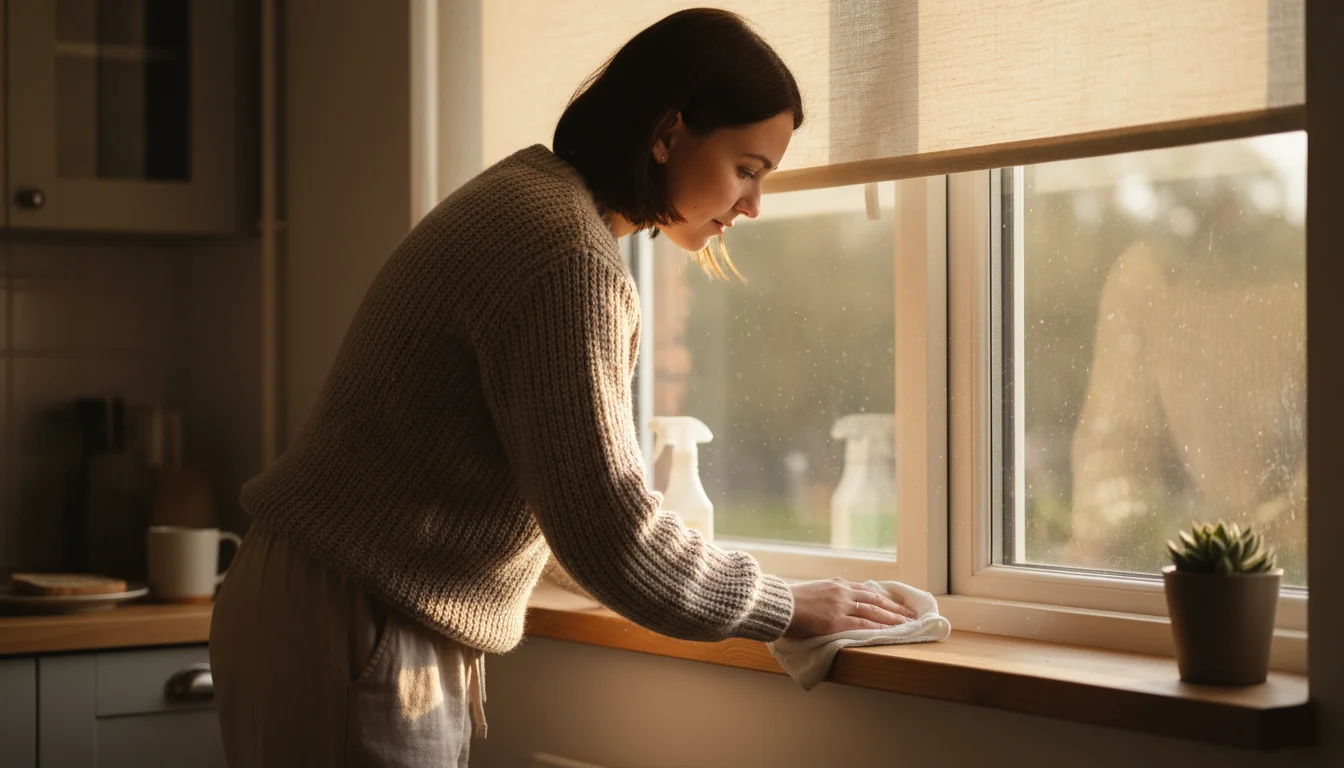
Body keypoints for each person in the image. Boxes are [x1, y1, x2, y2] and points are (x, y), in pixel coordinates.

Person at [209, 9, 914, 767]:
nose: (753, 205)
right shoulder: (566, 255)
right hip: (356, 620)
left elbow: (566, 507)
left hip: (332, 603)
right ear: (669, 133)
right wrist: (785, 605)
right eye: (748, 169)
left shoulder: (532, 197)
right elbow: (609, 535)